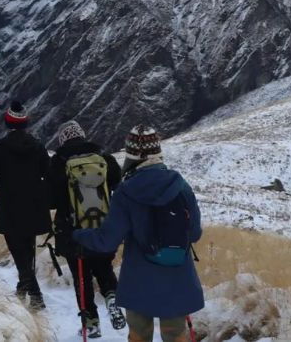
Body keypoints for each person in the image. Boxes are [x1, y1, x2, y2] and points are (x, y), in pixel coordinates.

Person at [74, 125, 203, 342]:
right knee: (175, 336)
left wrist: (79, 235)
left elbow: (107, 241)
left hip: (138, 280)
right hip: (178, 277)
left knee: (139, 337)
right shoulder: (181, 186)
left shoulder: (125, 192)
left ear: (131, 155)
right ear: (158, 152)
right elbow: (195, 234)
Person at [48, 120, 124, 338]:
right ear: (82, 135)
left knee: (81, 276)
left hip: (72, 231)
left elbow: (52, 200)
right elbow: (118, 185)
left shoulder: (59, 163)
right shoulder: (104, 159)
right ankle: (111, 296)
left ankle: (90, 322)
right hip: (103, 228)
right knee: (104, 266)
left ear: (63, 140)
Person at [0, 101, 52, 310]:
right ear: (26, 124)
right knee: (27, 249)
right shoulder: (37, 146)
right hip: (34, 206)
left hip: (9, 207)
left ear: (7, 123)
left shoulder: (0, 147)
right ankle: (22, 289)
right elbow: (48, 174)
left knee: (18, 251)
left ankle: (36, 296)